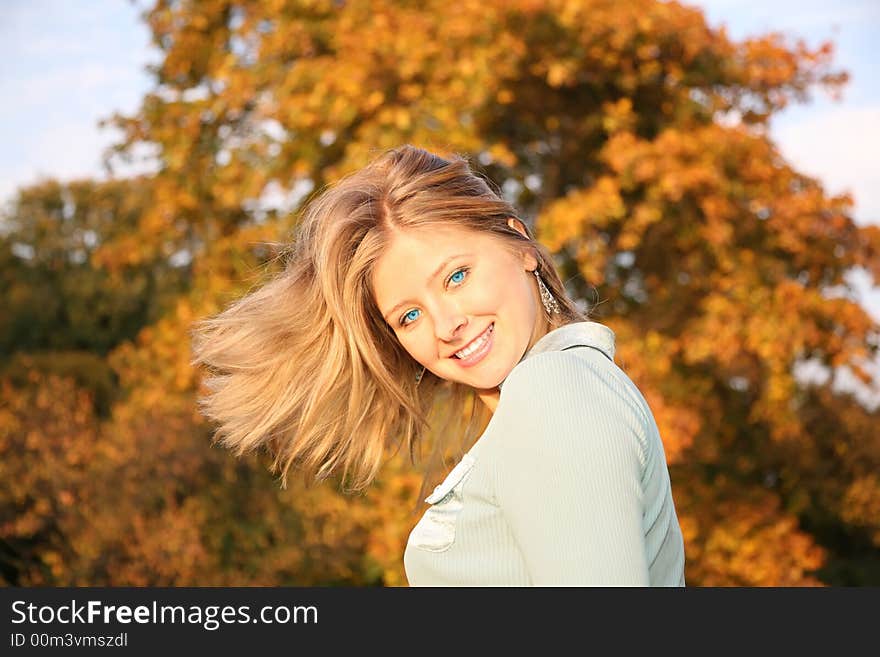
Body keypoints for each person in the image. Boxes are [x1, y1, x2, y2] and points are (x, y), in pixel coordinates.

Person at [190, 144, 686, 586]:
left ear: (521, 247)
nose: (446, 324)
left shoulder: (554, 391)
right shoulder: (567, 389)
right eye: (409, 315)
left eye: (456, 276)